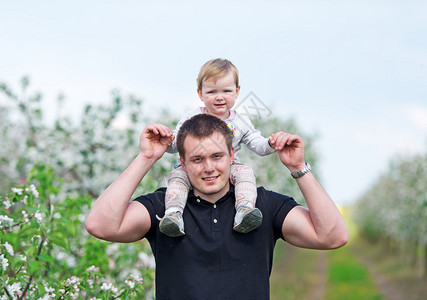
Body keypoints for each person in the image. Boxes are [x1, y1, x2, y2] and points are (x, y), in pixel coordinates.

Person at [85, 114, 349, 300]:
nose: (209, 168)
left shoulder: (262, 205)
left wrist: (298, 168)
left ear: (232, 155)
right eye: (197, 159)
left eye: (217, 156)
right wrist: (146, 158)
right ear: (183, 162)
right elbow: (100, 225)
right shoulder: (165, 207)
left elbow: (333, 236)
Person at [160, 58, 280, 237]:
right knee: (178, 180)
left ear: (237, 91)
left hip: (229, 166)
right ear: (200, 94)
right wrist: (165, 140)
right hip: (191, 167)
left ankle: (244, 211)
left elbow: (257, 144)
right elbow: (176, 144)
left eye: (226, 91)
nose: (219, 97)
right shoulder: (192, 117)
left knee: (246, 174)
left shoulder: (240, 121)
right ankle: (173, 215)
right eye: (211, 91)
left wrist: (271, 143)